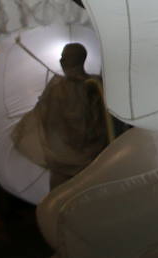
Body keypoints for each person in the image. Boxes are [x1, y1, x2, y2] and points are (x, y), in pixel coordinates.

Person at [11, 42, 111, 189]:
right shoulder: (93, 85)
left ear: (76, 59)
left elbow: (45, 118)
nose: (61, 60)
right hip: (82, 156)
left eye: (65, 57)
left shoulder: (88, 86)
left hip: (73, 156)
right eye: (62, 57)